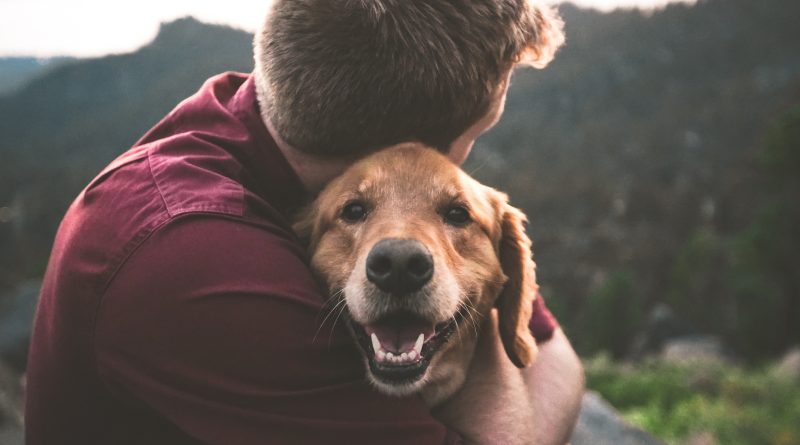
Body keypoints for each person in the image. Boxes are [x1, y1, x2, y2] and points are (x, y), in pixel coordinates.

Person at [25, 0, 584, 443]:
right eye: (478, 132)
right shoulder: (194, 258)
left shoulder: (265, 116)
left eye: (453, 209)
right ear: (408, 146)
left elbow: (552, 352)